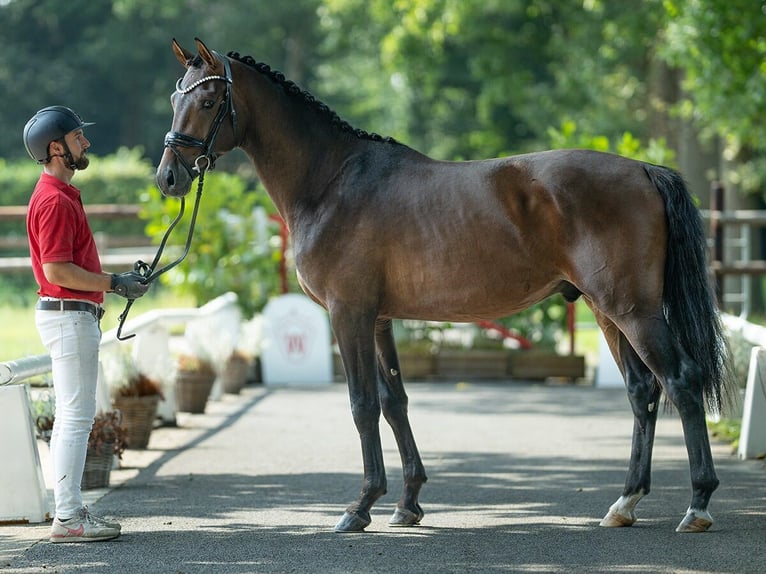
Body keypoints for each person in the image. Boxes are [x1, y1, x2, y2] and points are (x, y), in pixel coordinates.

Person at [23, 105, 150, 543]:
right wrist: (115, 282)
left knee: (71, 417)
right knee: (75, 419)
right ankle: (70, 517)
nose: (86, 143)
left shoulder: (57, 195)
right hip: (69, 316)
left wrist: (115, 283)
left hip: (70, 316)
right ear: (56, 148)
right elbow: (58, 271)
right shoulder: (55, 200)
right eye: (78, 138)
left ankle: (69, 513)